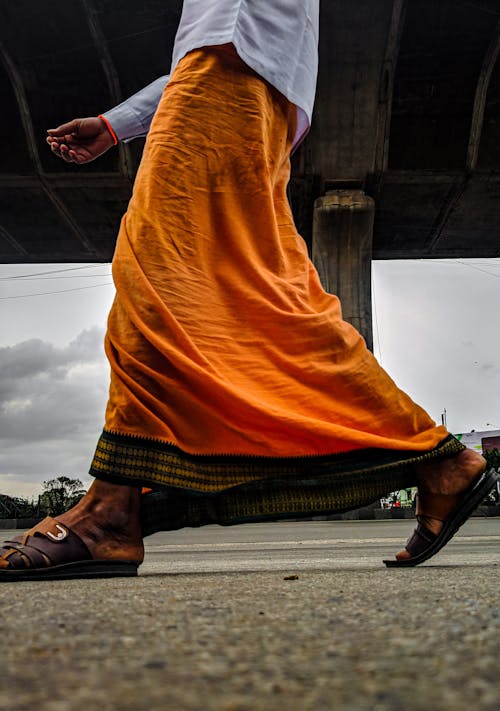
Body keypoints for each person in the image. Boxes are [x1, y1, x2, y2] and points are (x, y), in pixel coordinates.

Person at [1, 0, 497, 581]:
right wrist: (120, 122)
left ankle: (112, 511)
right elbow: (208, 47)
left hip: (228, 74)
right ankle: (437, 460)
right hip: (231, 82)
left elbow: (224, 34)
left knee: (158, 281)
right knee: (252, 301)